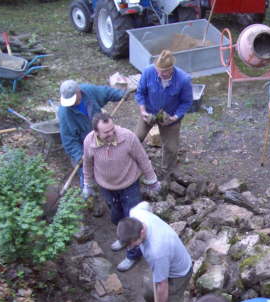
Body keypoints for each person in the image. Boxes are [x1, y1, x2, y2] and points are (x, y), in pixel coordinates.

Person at [82, 113, 160, 272]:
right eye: (106, 132)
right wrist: (88, 184)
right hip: (106, 187)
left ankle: (133, 254)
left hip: (129, 184)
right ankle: (123, 239)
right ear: (96, 133)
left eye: (112, 129)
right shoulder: (89, 142)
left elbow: (143, 159)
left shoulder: (128, 137)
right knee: (116, 216)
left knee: (132, 220)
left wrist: (152, 179)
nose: (111, 133)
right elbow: (87, 164)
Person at [117, 202, 192, 302]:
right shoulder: (136, 213)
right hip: (165, 265)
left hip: (178, 274)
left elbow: (162, 285)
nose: (131, 247)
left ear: (142, 233)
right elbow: (146, 204)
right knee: (149, 291)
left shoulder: (157, 251)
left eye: (132, 243)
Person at [135, 49, 193, 177]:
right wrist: (143, 110)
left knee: (171, 148)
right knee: (136, 138)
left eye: (164, 72)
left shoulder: (183, 80)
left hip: (170, 116)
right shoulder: (148, 72)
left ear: (171, 68)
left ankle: (166, 173)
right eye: (158, 71)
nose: (160, 75)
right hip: (149, 112)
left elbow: (187, 102)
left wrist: (176, 116)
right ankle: (133, 165)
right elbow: (140, 93)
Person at [57, 80, 125, 187]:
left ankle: (113, 181)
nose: (72, 103)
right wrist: (79, 156)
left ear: (79, 92)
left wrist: (120, 94)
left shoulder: (89, 91)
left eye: (73, 99)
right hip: (82, 144)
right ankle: (87, 189)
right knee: (86, 171)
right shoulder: (65, 113)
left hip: (100, 135)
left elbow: (105, 92)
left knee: (108, 160)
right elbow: (69, 140)